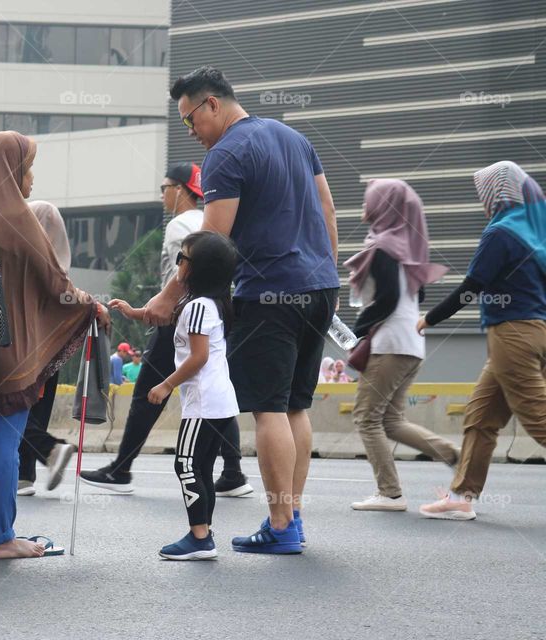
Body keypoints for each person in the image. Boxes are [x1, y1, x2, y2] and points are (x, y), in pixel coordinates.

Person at [144, 66, 340, 554]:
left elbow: (211, 241)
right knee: (296, 404)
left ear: (213, 104)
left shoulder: (226, 153)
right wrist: (325, 274)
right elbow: (328, 211)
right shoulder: (295, 138)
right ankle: (290, 516)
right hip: (319, 288)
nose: (191, 131)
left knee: (269, 407)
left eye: (190, 119)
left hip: (268, 292)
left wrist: (168, 297)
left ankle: (279, 525)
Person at [0, 131, 109, 560]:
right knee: (3, 444)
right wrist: (92, 306)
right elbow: (57, 283)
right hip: (8, 354)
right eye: (27, 168)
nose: (30, 179)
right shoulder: (19, 220)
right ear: (12, 170)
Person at [81, 163, 252, 498]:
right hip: (213, 314)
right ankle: (232, 470)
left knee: (147, 394)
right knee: (216, 387)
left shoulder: (179, 226)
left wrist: (158, 311)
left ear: (180, 190)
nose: (163, 195)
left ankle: (120, 469)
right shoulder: (209, 222)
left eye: (165, 187)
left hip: (179, 317)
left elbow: (185, 276)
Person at [418, 161, 546, 521]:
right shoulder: (535, 231)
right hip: (532, 331)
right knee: (481, 418)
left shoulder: (501, 233)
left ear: (495, 193)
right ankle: (462, 496)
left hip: (513, 334)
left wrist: (428, 319)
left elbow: (471, 288)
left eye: (483, 192)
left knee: (538, 418)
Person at [112, 232, 243, 559]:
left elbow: (198, 358)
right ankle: (204, 533)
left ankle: (199, 538)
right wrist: (133, 312)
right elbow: (167, 317)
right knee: (201, 468)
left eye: (182, 259)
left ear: (199, 269)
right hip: (219, 402)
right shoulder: (206, 303)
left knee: (185, 464)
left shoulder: (198, 306)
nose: (177, 264)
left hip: (203, 403)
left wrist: (166, 384)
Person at [345, 179, 459, 512]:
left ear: (383, 205)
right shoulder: (408, 248)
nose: (365, 205)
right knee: (391, 421)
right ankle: (454, 455)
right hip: (411, 344)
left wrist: (357, 332)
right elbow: (416, 295)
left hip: (389, 346)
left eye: (369, 199)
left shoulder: (382, 248)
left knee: (366, 418)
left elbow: (388, 300)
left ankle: (390, 493)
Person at [17, 200, 77, 497]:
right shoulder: (60, 265)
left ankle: (51, 449)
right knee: (36, 410)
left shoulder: (24, 258)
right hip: (53, 349)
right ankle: (23, 475)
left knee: (7, 411)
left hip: (26, 348)